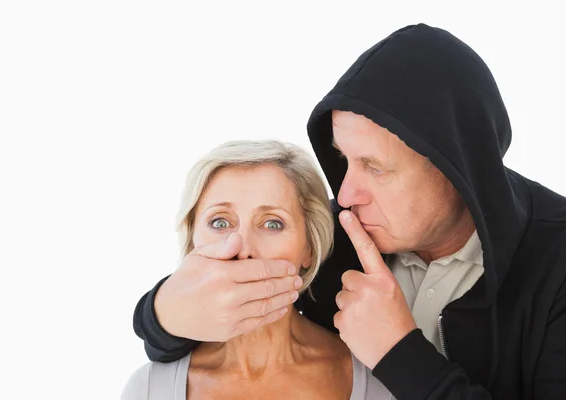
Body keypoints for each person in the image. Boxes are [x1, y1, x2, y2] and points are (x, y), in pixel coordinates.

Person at [132, 24, 566, 399]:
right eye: (344, 160)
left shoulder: (555, 265)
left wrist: (399, 353)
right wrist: (161, 315)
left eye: (375, 168)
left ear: (455, 169)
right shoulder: (336, 238)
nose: (346, 192)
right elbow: (219, 288)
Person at [122, 140, 394, 399]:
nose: (242, 248)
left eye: (272, 224)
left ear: (309, 247)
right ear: (193, 240)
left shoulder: (377, 383)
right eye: (219, 222)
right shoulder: (148, 388)